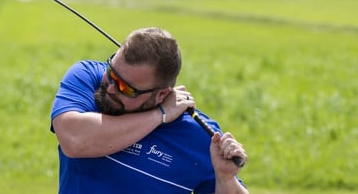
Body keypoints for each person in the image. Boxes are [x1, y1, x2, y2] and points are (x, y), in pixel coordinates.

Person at [50, 27, 248, 194]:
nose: (110, 88)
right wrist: (159, 114)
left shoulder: (199, 137)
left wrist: (226, 179)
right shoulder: (88, 78)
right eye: (111, 73)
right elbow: (75, 139)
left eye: (126, 88)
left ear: (161, 94)